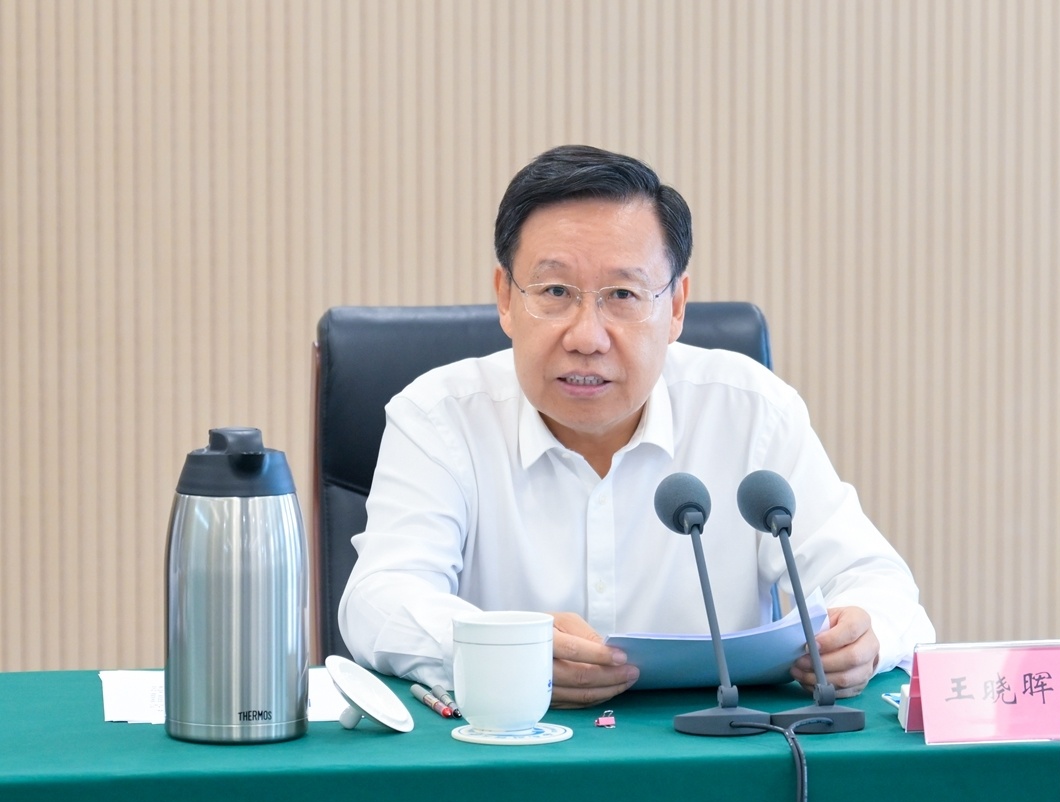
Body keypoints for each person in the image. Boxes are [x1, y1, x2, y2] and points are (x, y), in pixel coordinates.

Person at [339, 144, 935, 708]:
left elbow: (875, 582)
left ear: (675, 307)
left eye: (623, 294)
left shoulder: (753, 413)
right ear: (505, 297)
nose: (586, 337)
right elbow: (378, 600)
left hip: (720, 753)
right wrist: (504, 649)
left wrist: (865, 633)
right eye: (554, 291)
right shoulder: (439, 418)